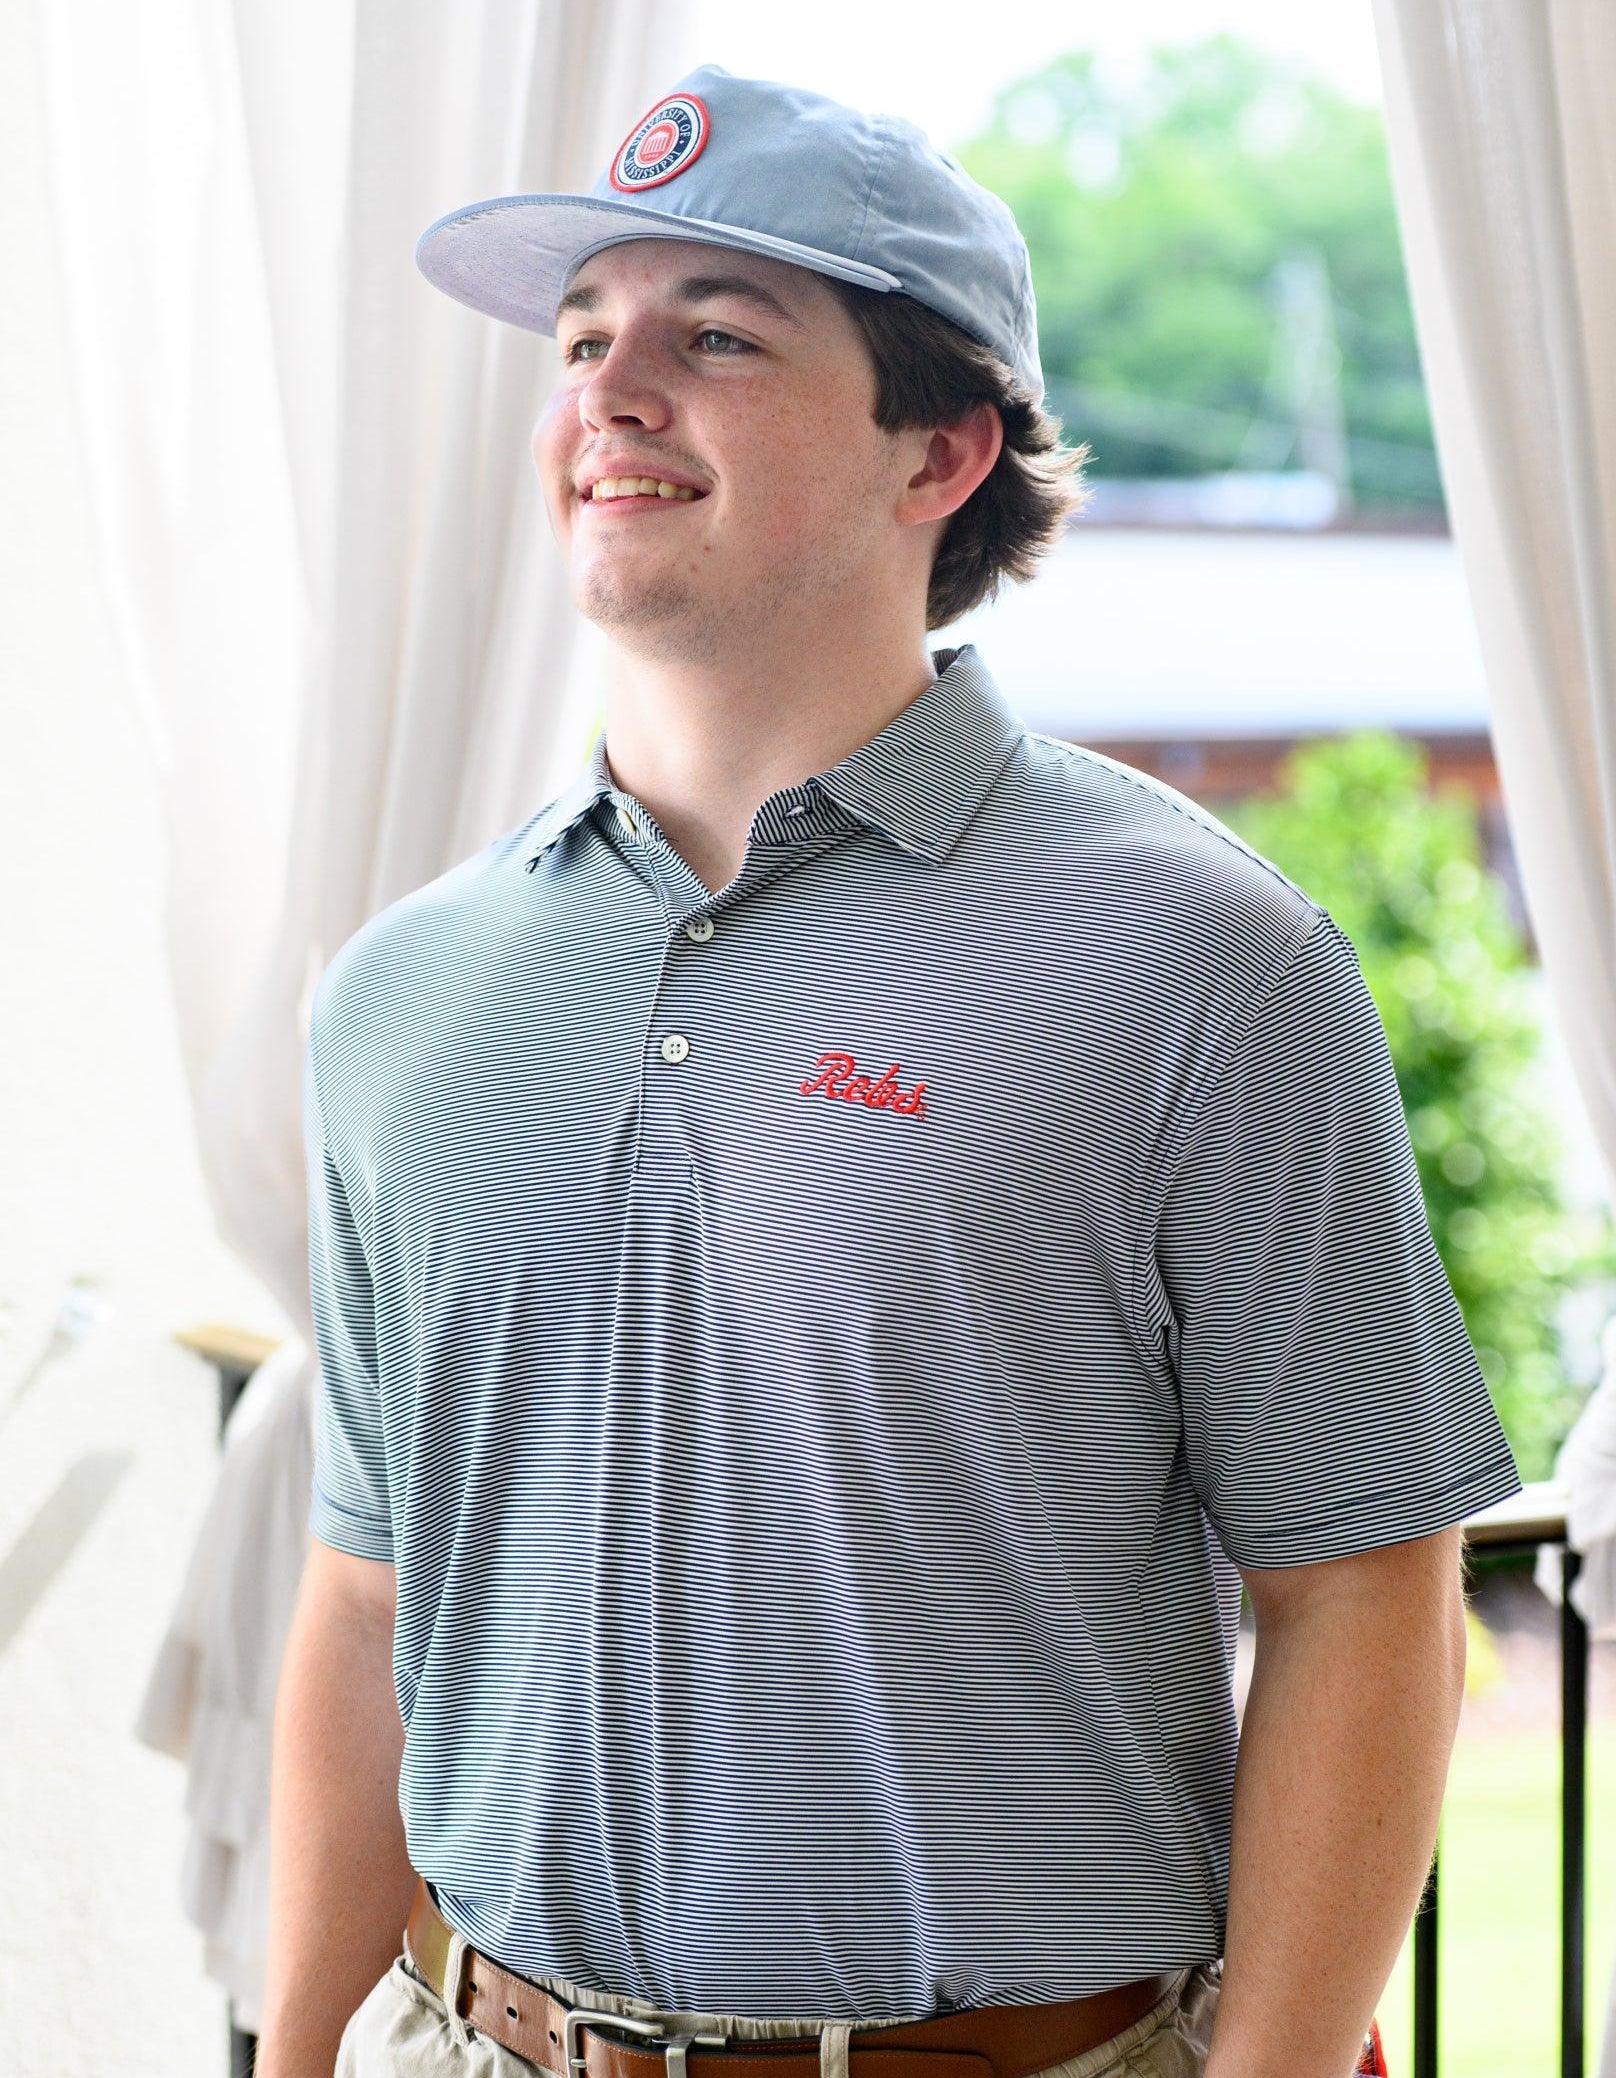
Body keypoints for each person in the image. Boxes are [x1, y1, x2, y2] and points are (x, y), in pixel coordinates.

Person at [260, 61, 1525, 2078]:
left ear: (936, 452)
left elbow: (1362, 1588)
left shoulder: (1205, 962)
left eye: (718, 336)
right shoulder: (400, 995)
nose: (610, 387)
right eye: (585, 336)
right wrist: (299, 2043)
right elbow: (360, 1590)